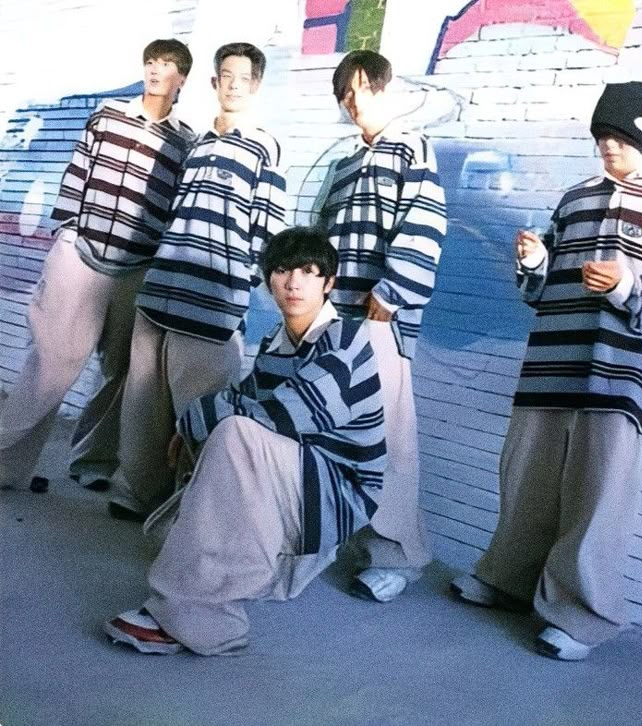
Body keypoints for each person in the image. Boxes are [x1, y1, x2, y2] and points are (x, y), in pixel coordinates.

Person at [451, 81, 642, 660]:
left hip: (618, 379)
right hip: (549, 365)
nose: (609, 145)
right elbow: (537, 292)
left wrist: (628, 285)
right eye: (602, 134)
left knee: (597, 499)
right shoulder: (574, 199)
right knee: (525, 483)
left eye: (621, 135)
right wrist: (535, 262)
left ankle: (581, 614)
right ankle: (508, 579)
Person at [104, 226, 386, 655]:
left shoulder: (346, 338)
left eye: (309, 272)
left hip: (335, 493)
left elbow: (286, 415)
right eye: (281, 270)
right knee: (221, 444)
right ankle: (237, 571)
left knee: (237, 433)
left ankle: (206, 622)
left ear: (328, 283)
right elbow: (239, 396)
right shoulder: (277, 340)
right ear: (268, 279)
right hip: (295, 480)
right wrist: (189, 424)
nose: (293, 283)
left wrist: (202, 424)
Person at [0, 39, 195, 492]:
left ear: (180, 78)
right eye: (150, 62)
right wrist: (67, 233)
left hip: (137, 267)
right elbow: (77, 173)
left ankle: (92, 462)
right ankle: (5, 461)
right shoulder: (108, 115)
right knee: (50, 363)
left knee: (120, 372)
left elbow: (174, 209)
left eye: (165, 65)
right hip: (82, 255)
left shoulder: (185, 142)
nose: (154, 72)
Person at [107, 42, 286, 520]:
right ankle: (135, 490)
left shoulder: (264, 145)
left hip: (211, 299)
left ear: (256, 85)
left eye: (243, 78)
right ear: (213, 82)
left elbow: (267, 227)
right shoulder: (196, 143)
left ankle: (196, 510)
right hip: (162, 287)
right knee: (142, 402)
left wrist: (239, 293)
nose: (233, 85)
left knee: (202, 411)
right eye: (225, 75)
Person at [318, 50, 447, 603]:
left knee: (389, 440)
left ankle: (398, 556)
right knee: (333, 429)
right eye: (344, 92)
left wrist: (391, 296)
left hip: (380, 319)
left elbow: (426, 223)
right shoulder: (343, 164)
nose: (353, 101)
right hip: (336, 318)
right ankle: (338, 536)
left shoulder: (412, 146)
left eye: (362, 88)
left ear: (384, 87)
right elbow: (321, 238)